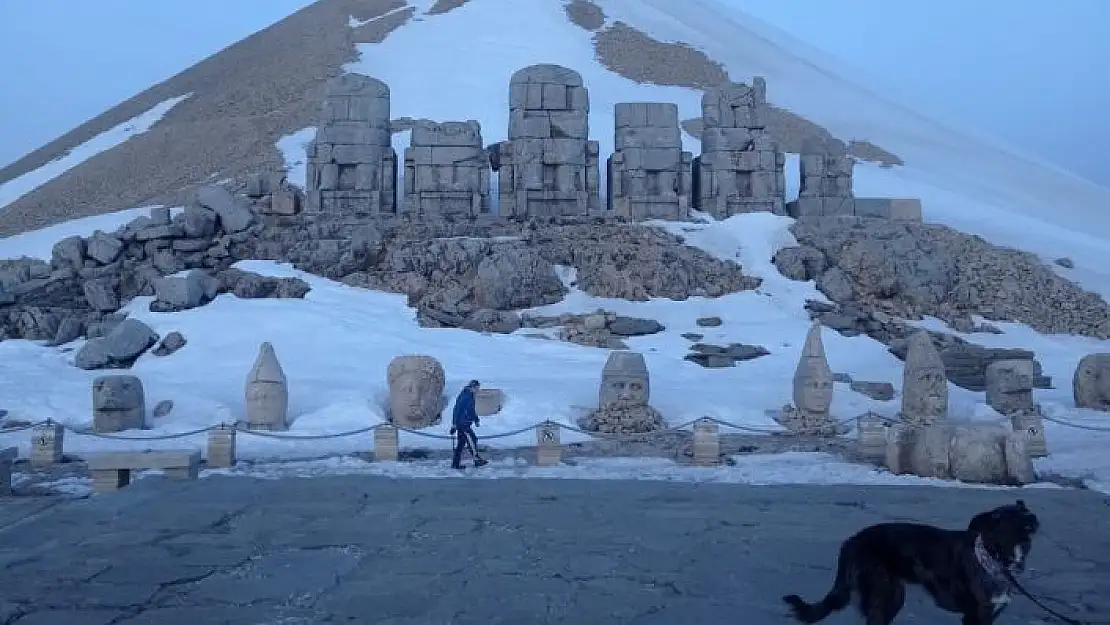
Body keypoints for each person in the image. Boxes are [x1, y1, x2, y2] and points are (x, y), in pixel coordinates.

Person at [450, 379, 488, 469]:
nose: (478, 390)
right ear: (473, 387)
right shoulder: (465, 396)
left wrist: (476, 419)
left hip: (464, 422)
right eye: (477, 388)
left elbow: (471, 410)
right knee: (472, 440)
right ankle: (476, 460)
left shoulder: (469, 395)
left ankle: (455, 464)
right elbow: (457, 410)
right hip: (463, 424)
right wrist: (454, 424)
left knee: (461, 444)